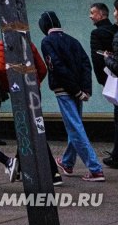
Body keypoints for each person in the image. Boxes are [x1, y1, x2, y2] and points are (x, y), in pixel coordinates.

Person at [38, 10, 104, 182]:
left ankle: (95, 169)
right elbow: (85, 64)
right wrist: (84, 90)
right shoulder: (72, 40)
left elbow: (57, 67)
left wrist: (75, 90)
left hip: (65, 91)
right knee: (75, 126)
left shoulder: (47, 42)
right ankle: (67, 162)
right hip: (78, 91)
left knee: (75, 128)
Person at [0, 38, 62, 185]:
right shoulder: (28, 42)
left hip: (18, 91)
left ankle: (53, 172)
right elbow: (42, 68)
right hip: (33, 91)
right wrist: (36, 82)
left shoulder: (3, 43)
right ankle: (18, 168)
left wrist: (9, 86)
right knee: (33, 126)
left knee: (27, 127)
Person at [90, 0, 118, 170]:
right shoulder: (114, 29)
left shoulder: (97, 34)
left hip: (112, 76)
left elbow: (97, 60)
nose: (90, 16)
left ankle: (116, 156)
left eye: (92, 13)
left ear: (100, 14)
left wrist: (103, 81)